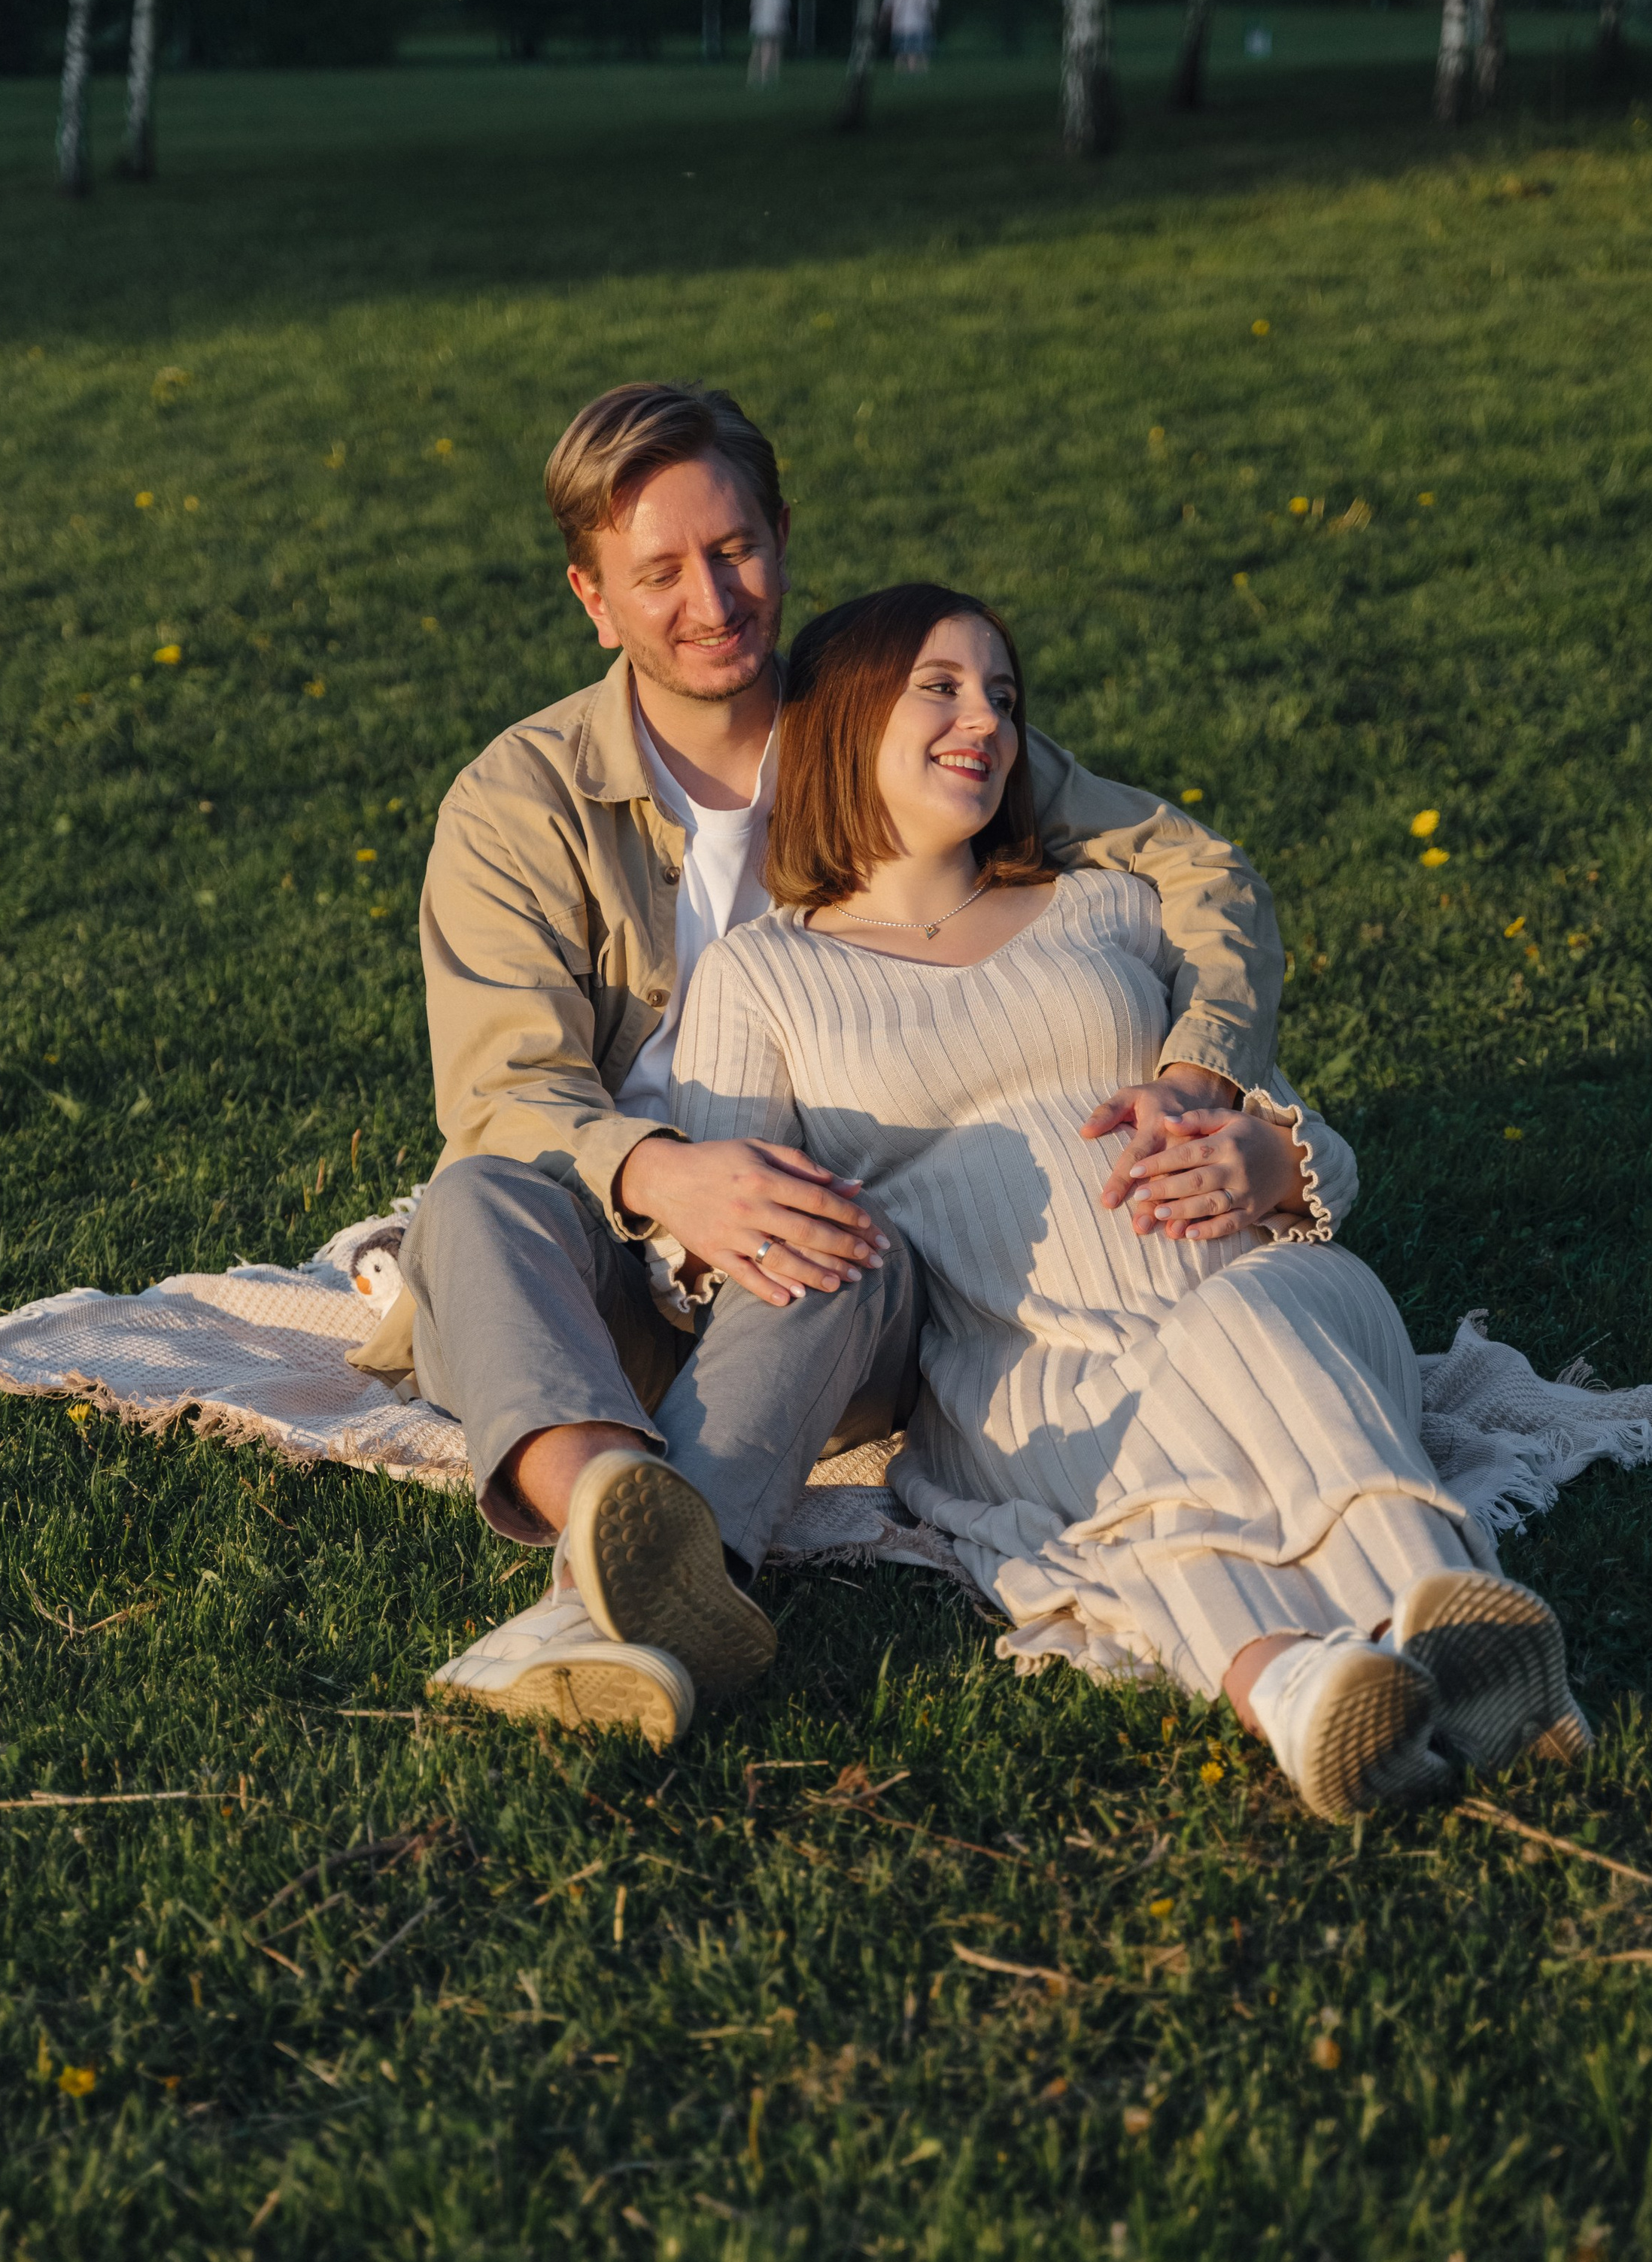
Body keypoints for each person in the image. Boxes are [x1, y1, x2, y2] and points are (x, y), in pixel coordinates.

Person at [351, 384, 1285, 1750]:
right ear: (593, 600)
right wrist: (669, 1175)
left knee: (836, 1234)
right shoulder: (518, 799)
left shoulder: (885, 725)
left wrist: (1202, 1067)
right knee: (472, 1201)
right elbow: (506, 1091)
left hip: (843, 1277)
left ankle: (592, 1597)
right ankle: (616, 1495)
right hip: (627, 1257)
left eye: (735, 550)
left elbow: (1193, 866)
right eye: (658, 572)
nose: (712, 599)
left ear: (783, 538)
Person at [670, 584, 1590, 1820]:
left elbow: (1314, 1140)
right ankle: (1309, 1696)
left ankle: (1436, 1612)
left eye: (1003, 693)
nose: (985, 719)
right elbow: (745, 1238)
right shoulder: (764, 975)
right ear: (842, 719)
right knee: (1135, 1469)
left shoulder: (1106, 906)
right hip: (1017, 1364)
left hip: (1263, 1289)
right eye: (941, 686)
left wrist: (1273, 1163)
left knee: (1239, 1331)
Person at [884, 0, 938, 74]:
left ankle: (902, 74)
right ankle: (918, 73)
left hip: (902, 26)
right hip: (919, 25)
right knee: (919, 52)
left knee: (902, 52)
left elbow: (887, 7)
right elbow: (933, 6)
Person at [749, 0, 791, 86]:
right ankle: (766, 78)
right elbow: (781, 7)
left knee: (759, 49)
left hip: (760, 23)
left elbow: (754, 6)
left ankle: (755, 77)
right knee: (770, 49)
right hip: (772, 24)